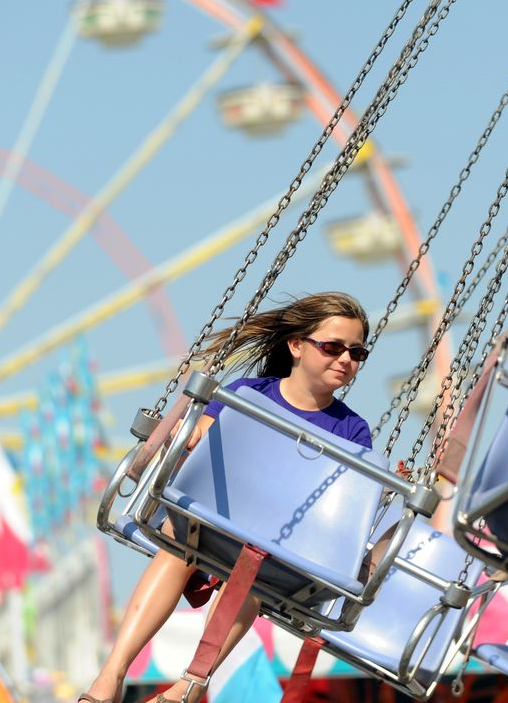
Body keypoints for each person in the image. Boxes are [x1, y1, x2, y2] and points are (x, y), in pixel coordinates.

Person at [79, 292, 374, 703]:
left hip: (279, 549)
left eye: (356, 352)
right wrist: (191, 436)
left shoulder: (353, 431)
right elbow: (203, 433)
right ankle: (111, 676)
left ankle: (189, 684)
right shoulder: (248, 393)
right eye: (333, 347)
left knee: (257, 568)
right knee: (179, 541)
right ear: (296, 346)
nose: (346, 359)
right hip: (215, 522)